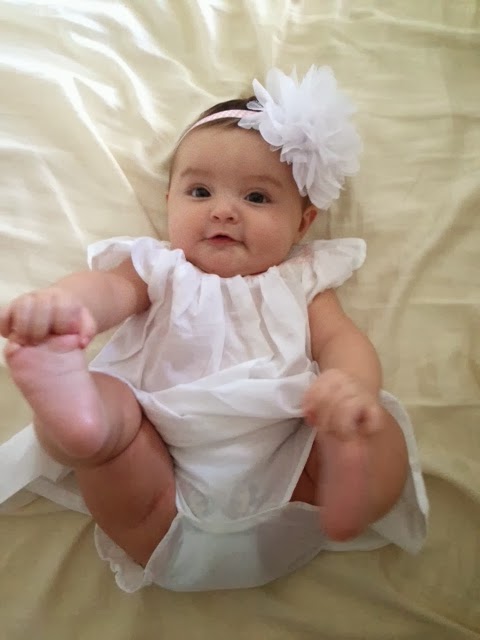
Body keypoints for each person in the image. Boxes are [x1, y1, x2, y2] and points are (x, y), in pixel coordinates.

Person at [0, 66, 428, 592]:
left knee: (375, 424)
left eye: (256, 198)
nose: (223, 211)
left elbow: (341, 340)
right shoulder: (159, 267)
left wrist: (351, 388)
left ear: (302, 222)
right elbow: (108, 290)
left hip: (293, 481)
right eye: (200, 191)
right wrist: (67, 308)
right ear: (169, 203)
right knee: (110, 406)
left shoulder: (301, 278)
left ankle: (350, 476)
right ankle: (81, 422)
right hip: (159, 490)